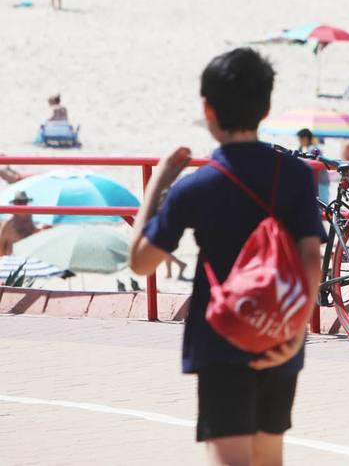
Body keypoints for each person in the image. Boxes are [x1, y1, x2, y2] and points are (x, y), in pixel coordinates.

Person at [127, 48, 324, 462]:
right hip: (279, 331)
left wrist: (158, 184)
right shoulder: (296, 175)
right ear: (267, 107)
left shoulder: (195, 187)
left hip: (221, 336)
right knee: (270, 456)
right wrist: (294, 333)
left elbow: (141, 262)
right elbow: (311, 259)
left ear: (208, 109)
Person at [0, 191, 43, 256]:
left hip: (28, 257)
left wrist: (43, 230)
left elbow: (33, 235)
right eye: (19, 202)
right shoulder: (8, 224)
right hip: (12, 260)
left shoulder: (29, 217)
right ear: (14, 204)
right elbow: (1, 248)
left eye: (24, 202)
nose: (22, 204)